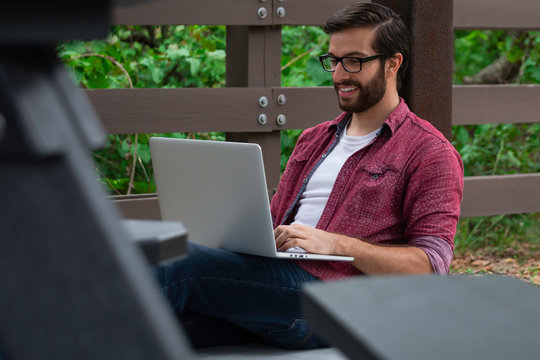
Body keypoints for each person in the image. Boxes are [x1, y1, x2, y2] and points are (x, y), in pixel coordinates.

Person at [154, 2, 464, 350]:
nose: (338, 75)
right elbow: (270, 224)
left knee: (179, 265)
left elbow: (430, 269)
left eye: (354, 61)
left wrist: (335, 244)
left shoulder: (429, 152)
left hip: (341, 303)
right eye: (333, 60)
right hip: (277, 286)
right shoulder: (314, 139)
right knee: (163, 326)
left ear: (392, 63)